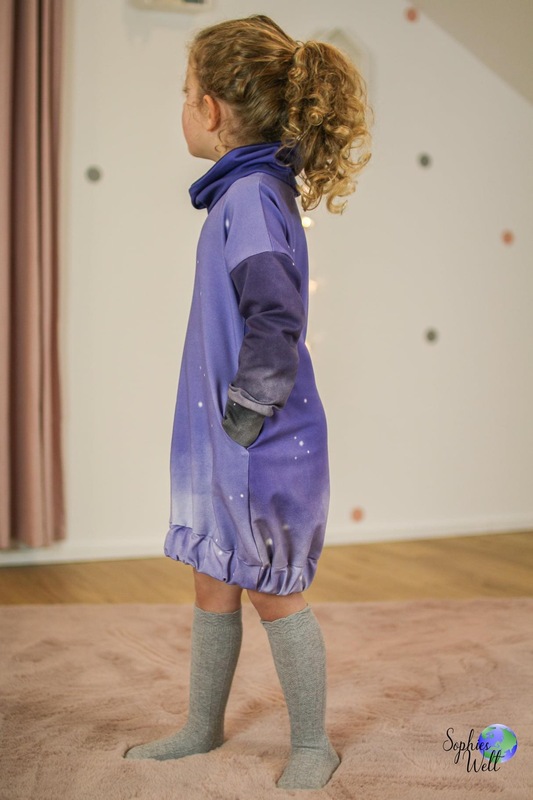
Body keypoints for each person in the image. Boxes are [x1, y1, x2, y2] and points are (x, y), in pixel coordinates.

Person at [124, 13, 372, 790]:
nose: (182, 105)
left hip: (257, 443)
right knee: (212, 575)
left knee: (273, 589)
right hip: (226, 439)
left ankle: (313, 745)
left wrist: (245, 416)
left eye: (185, 91)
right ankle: (201, 726)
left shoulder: (252, 198)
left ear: (211, 109)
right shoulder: (240, 194)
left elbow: (274, 315)